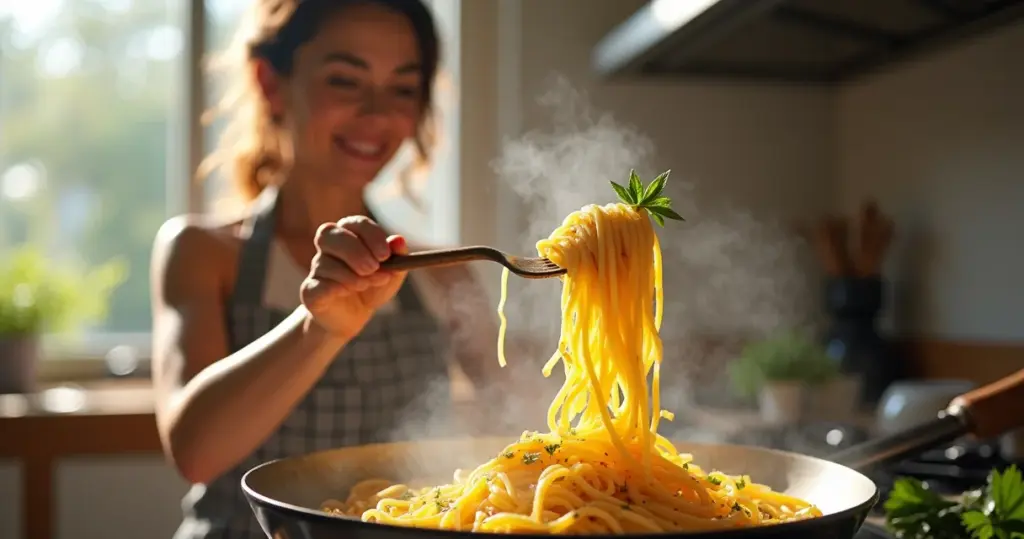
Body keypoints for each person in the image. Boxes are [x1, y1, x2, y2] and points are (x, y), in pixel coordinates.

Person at [149, 1, 523, 537]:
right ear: (272, 83)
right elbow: (195, 451)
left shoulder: (445, 272)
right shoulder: (203, 252)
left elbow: (519, 417)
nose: (376, 115)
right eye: (345, 81)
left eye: (402, 88)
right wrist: (319, 327)